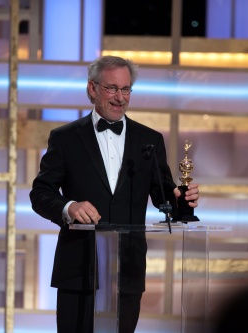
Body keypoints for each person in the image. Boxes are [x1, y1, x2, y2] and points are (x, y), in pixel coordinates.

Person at [29, 55, 200, 333]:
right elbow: (40, 193)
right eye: (112, 88)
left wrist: (183, 202)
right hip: (78, 269)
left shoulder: (150, 141)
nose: (120, 97)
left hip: (127, 268)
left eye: (126, 89)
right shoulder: (65, 138)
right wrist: (69, 207)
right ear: (92, 89)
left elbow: (164, 199)